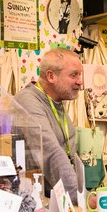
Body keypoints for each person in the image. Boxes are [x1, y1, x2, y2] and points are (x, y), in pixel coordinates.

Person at [14, 49, 83, 203]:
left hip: (60, 199)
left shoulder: (56, 100)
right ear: (51, 76)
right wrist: (80, 198)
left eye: (80, 74)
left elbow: (68, 150)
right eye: (74, 75)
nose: (80, 81)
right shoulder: (28, 101)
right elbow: (50, 151)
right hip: (36, 202)